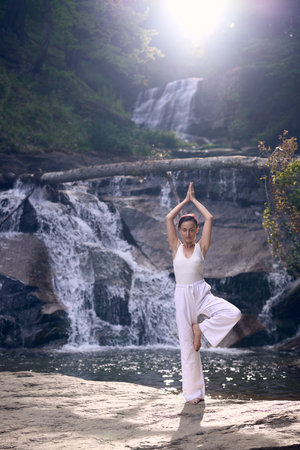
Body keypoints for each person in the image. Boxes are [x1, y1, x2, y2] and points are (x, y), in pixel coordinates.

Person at [165, 181, 241, 404]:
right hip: (182, 296)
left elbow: (209, 218)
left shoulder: (201, 247)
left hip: (201, 293)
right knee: (187, 348)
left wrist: (195, 201)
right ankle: (194, 394)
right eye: (184, 230)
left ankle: (202, 328)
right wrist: (184, 202)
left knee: (233, 313)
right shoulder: (175, 247)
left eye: (191, 230)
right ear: (180, 232)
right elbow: (168, 219)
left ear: (196, 231)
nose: (188, 234)